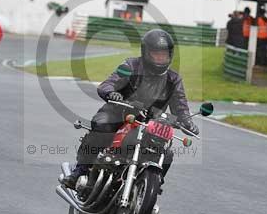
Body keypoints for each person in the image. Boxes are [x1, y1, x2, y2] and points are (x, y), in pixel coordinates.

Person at [62, 29, 199, 190]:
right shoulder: (131, 66)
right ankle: (80, 170)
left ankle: (150, 186)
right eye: (156, 54)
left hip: (150, 123)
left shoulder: (173, 79)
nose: (161, 58)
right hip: (119, 113)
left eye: (164, 54)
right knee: (102, 127)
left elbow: (181, 107)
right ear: (146, 52)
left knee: (166, 153)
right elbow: (108, 84)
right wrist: (112, 93)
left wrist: (187, 121)